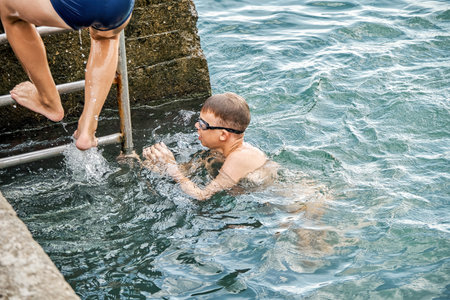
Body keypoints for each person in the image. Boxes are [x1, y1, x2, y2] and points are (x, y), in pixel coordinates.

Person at [0, 0, 134, 150]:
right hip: (120, 6)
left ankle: (48, 101)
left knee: (7, 7)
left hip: (80, 5)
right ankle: (88, 129)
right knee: (106, 37)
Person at [141, 92, 278, 201]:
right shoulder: (218, 152)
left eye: (203, 124)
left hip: (287, 205)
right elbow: (185, 171)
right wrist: (155, 163)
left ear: (223, 135)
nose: (196, 126)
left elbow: (202, 196)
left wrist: (172, 169)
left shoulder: (240, 157)